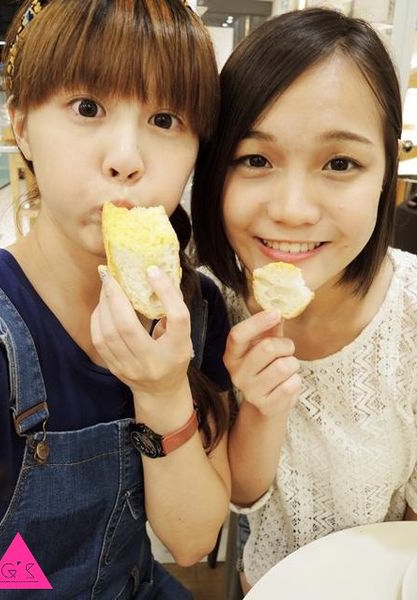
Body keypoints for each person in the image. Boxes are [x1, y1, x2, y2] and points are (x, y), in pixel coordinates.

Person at [0, 0, 232, 597]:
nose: (126, 160)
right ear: (21, 127)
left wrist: (162, 391)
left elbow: (192, 540)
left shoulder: (197, 311)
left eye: (165, 119)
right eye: (87, 108)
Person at [191, 6, 417, 593]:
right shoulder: (206, 309)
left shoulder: (411, 315)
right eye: (256, 159)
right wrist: (262, 408)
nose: (292, 209)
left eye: (340, 163)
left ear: (386, 171)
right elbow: (243, 496)